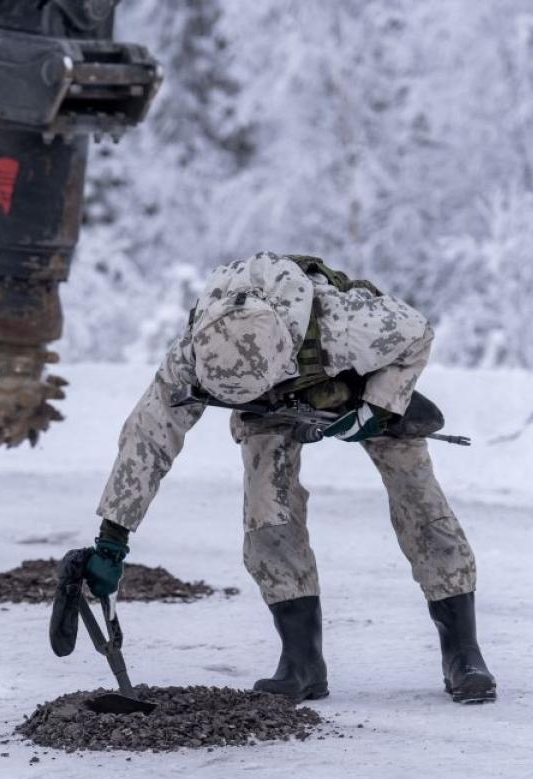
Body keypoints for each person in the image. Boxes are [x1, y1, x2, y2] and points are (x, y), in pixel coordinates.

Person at [84, 251, 496, 705]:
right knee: (268, 518)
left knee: (418, 500)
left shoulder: (344, 325)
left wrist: (377, 408)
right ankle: (302, 663)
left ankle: (463, 651)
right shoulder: (194, 354)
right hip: (268, 412)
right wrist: (113, 537)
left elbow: (417, 333)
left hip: (358, 385)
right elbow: (148, 438)